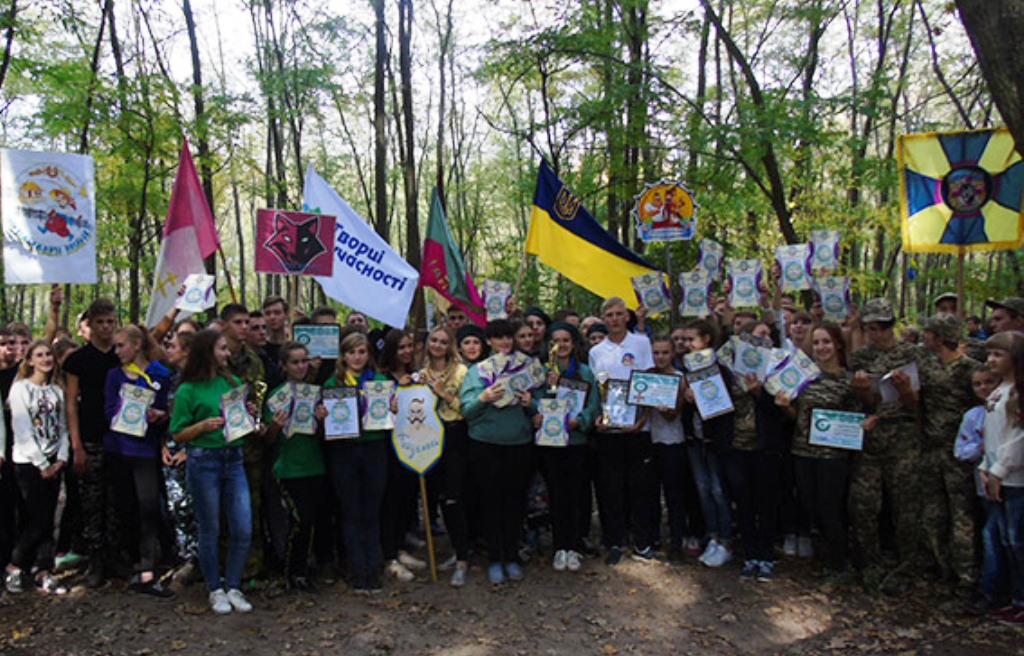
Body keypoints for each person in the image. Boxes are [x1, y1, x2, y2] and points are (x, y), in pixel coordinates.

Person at [848, 298, 934, 587]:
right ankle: (871, 563)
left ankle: (906, 567)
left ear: (892, 325)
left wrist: (907, 392)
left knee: (906, 506)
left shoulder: (914, 355)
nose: (876, 333)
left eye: (881, 327)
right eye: (870, 328)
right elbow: (868, 401)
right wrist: (863, 392)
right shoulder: (861, 358)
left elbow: (923, 405)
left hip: (905, 437)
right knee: (864, 504)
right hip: (873, 437)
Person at [170, 330, 254, 615]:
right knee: (211, 528)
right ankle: (215, 588)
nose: (227, 354)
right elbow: (178, 433)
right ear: (208, 352)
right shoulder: (187, 390)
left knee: (243, 527)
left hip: (234, 459)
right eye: (222, 349)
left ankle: (233, 585)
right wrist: (202, 426)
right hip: (203, 461)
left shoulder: (234, 383)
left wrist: (248, 413)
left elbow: (240, 420)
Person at [776, 323, 867, 581]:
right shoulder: (804, 376)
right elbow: (797, 416)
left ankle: (840, 563)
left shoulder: (848, 380)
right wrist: (785, 407)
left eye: (826, 342)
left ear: (837, 344)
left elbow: (857, 416)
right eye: (816, 343)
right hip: (803, 451)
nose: (821, 348)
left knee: (830, 509)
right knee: (809, 506)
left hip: (833, 457)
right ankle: (827, 557)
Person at [460, 319, 535, 584]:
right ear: (489, 342)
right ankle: (494, 558)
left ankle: (511, 556)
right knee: (490, 503)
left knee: (514, 503)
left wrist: (531, 403)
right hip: (485, 445)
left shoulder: (528, 367)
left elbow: (547, 409)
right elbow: (466, 410)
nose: (504, 342)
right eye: (498, 338)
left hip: (519, 444)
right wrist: (483, 398)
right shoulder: (478, 372)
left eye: (508, 337)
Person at [103, 325, 174, 598]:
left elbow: (168, 410)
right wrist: (124, 415)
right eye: (115, 346)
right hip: (118, 449)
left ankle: (148, 569)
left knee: (148, 507)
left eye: (121, 345)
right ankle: (131, 563)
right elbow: (108, 410)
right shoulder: (113, 376)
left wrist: (159, 416)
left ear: (136, 345)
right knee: (125, 507)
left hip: (145, 450)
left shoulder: (159, 374)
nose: (117, 351)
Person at [587, 297, 657, 566]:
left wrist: (644, 417)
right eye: (609, 315)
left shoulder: (640, 343)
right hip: (609, 429)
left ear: (627, 317)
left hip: (638, 427)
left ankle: (642, 541)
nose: (614, 319)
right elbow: (596, 391)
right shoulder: (597, 351)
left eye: (619, 314)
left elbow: (650, 381)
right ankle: (615, 541)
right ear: (603, 319)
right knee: (610, 488)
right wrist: (598, 418)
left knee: (640, 487)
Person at [918, 315, 983, 591]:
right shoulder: (928, 367)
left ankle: (967, 579)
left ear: (941, 337)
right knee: (933, 514)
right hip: (931, 452)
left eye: (929, 332)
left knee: (963, 518)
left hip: (961, 457)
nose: (924, 336)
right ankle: (942, 570)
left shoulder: (972, 372)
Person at [323, 332, 390, 592]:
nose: (357, 357)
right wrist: (322, 415)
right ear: (344, 356)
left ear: (368, 354)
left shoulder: (380, 381)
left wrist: (392, 407)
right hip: (344, 451)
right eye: (351, 352)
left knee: (372, 512)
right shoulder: (333, 383)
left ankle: (373, 570)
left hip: (374, 448)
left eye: (362, 352)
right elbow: (325, 423)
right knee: (351, 512)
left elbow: (388, 417)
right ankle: (358, 571)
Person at [2, 341, 69, 595]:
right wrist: (42, 464)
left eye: (48, 354)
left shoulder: (57, 391)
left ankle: (44, 570)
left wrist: (61, 458)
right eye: (39, 355)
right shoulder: (20, 389)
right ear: (29, 360)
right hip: (28, 463)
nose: (45, 359)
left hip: (54, 460)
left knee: (48, 517)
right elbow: (22, 430)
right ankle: (14, 564)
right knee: (36, 518)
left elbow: (62, 426)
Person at [533, 322, 600, 573]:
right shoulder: (541, 372)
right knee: (556, 494)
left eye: (565, 340)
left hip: (576, 441)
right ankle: (559, 546)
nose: (560, 345)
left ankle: (573, 546)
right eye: (555, 341)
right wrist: (539, 412)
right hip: (550, 442)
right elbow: (535, 402)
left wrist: (579, 421)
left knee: (575, 495)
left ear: (573, 344)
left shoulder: (584, 372)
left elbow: (593, 404)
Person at [63, 298, 120, 588]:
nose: (106, 328)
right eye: (100, 322)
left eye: (111, 322)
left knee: (117, 498)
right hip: (91, 437)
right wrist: (77, 444)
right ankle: (95, 560)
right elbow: (71, 403)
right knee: (92, 501)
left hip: (121, 438)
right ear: (91, 325)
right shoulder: (78, 360)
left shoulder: (122, 355)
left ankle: (114, 556)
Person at [264, 342, 328, 593]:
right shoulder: (276, 396)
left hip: (314, 464)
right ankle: (292, 572)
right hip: (289, 467)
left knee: (312, 520)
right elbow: (268, 440)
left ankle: (305, 567)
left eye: (304, 361)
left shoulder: (315, 393)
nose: (301, 366)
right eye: (295, 362)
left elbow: (323, 435)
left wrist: (322, 420)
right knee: (299, 520)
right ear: (284, 366)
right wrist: (275, 427)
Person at [419, 326, 471, 587]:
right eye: (434, 340)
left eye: (443, 342)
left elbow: (468, 408)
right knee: (437, 497)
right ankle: (454, 550)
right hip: (427, 438)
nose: (437, 345)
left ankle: (462, 559)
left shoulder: (462, 372)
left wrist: (443, 393)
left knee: (453, 497)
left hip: (454, 436)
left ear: (451, 345)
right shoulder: (421, 372)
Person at [679, 320, 734, 568]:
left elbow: (723, 404)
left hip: (714, 440)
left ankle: (726, 540)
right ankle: (712, 537)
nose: (687, 344)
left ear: (707, 340)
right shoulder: (685, 369)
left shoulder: (720, 368)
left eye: (692, 339)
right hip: (695, 438)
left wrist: (699, 396)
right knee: (702, 488)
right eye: (686, 340)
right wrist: (685, 395)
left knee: (718, 490)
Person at [978, 331, 1024, 624]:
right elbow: (993, 436)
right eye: (989, 354)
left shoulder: (1018, 393)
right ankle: (1004, 595)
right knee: (999, 539)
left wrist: (999, 470)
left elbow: (1018, 438)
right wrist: (985, 465)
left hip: (1015, 482)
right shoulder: (998, 391)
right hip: (996, 478)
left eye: (998, 354)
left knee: (1016, 541)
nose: (990, 360)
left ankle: (1020, 599)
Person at [378, 329, 427, 582]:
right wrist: (397, 390)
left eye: (410, 346)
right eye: (401, 347)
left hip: (415, 444)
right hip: (389, 446)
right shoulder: (382, 377)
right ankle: (389, 556)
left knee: (408, 498)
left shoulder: (418, 375)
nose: (406, 351)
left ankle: (400, 548)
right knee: (391, 501)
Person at [956, 367, 1000, 613]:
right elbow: (961, 450)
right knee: (991, 536)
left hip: (1011, 482)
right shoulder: (973, 416)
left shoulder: (1009, 408)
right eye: (977, 384)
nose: (983, 388)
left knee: (1010, 540)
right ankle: (988, 591)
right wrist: (981, 447)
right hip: (983, 485)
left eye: (988, 382)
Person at [645, 335, 688, 562]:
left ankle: (676, 543)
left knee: (674, 494)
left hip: (673, 441)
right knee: (651, 493)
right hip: (651, 441)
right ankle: (652, 538)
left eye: (664, 353)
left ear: (672, 354)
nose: (660, 357)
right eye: (656, 353)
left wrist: (662, 406)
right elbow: (640, 407)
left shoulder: (680, 378)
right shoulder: (648, 376)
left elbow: (673, 415)